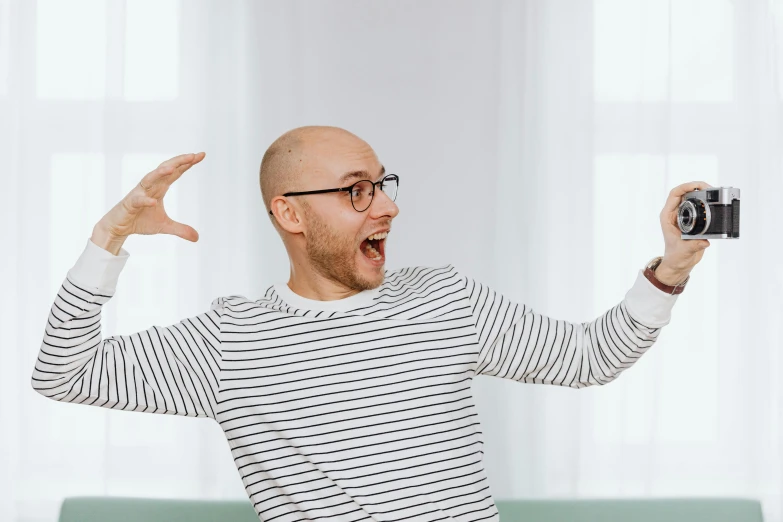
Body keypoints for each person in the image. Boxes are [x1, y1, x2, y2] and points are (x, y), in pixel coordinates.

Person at [31, 126, 711, 521]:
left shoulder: (445, 300)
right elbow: (64, 372)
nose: (385, 207)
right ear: (291, 214)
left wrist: (671, 268)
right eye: (358, 189)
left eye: (384, 184)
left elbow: (587, 358)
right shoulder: (228, 340)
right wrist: (108, 238)